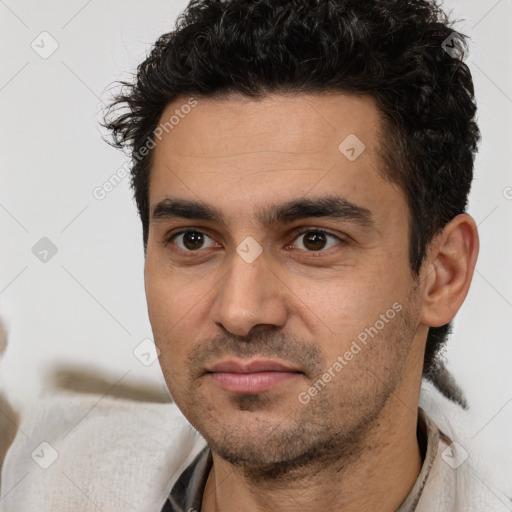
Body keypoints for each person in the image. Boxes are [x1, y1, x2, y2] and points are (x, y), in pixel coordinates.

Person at [0, 0, 509, 511]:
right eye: (193, 240)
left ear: (442, 273)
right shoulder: (51, 479)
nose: (240, 312)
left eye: (314, 240)